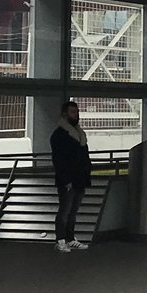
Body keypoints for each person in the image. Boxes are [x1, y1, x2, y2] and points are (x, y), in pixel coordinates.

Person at [50, 100, 92, 252]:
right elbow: (58, 160)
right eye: (73, 112)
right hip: (68, 180)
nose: (76, 115)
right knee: (65, 210)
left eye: (77, 112)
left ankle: (69, 238)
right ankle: (61, 239)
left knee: (72, 211)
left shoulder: (78, 134)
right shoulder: (59, 136)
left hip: (79, 179)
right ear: (65, 114)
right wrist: (65, 179)